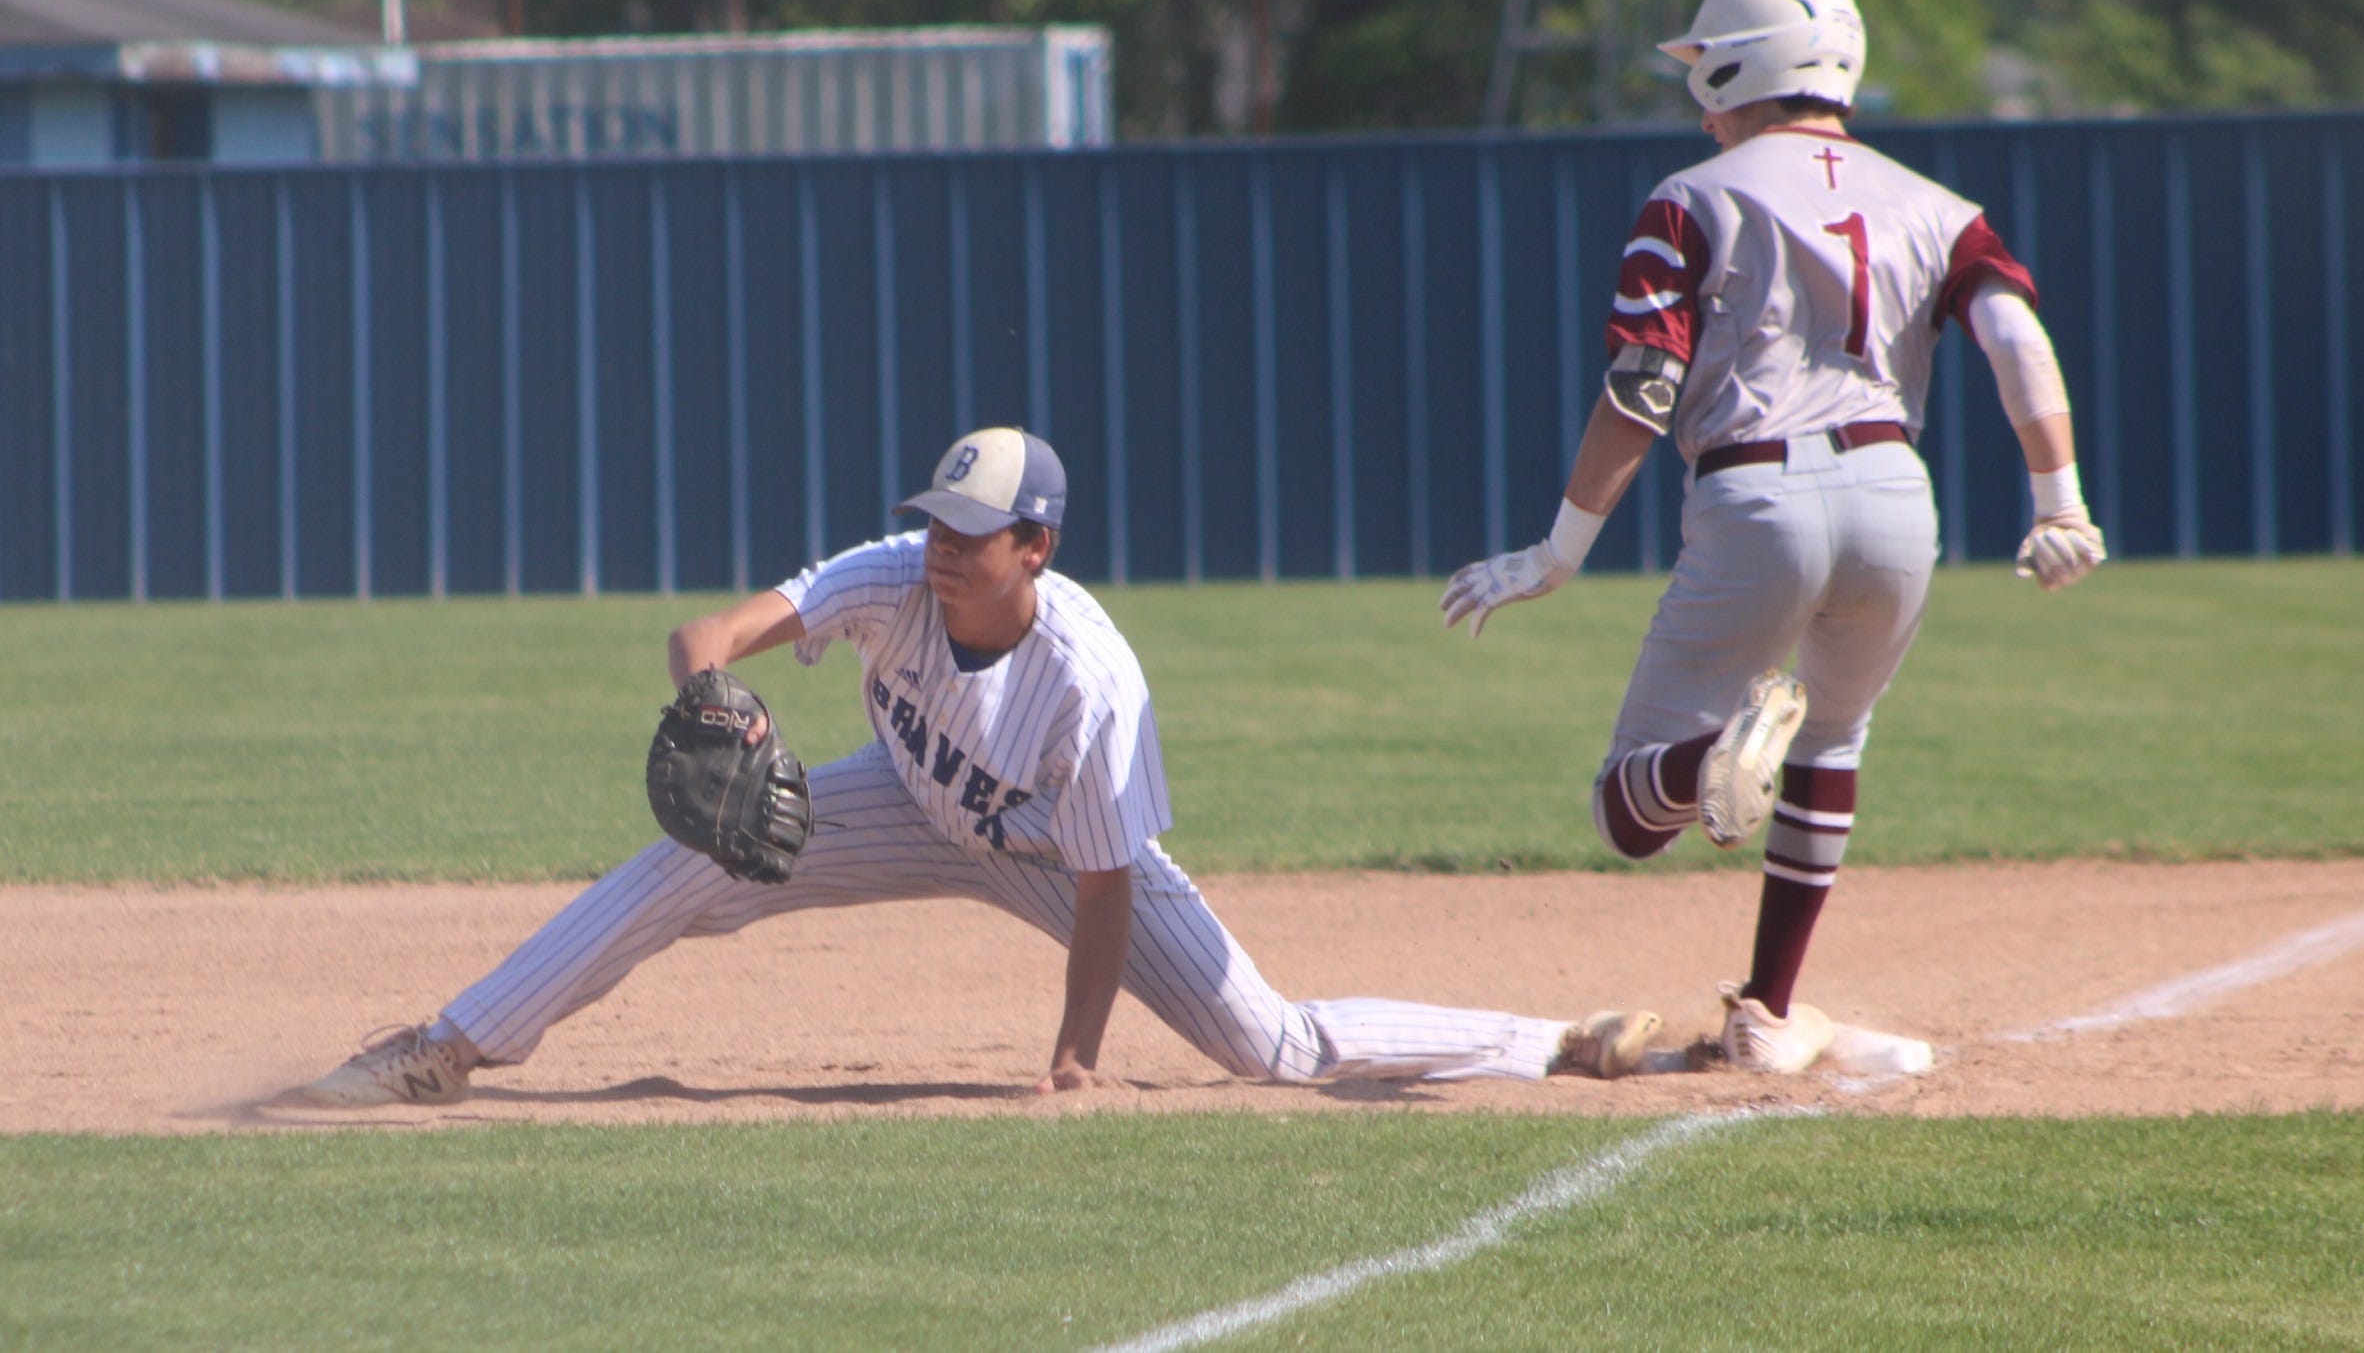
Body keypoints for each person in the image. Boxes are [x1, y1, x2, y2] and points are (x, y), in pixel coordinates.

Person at [300, 426, 1661, 1107]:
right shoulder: (892, 579)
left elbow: (1111, 882)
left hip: (1060, 861)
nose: (944, 545)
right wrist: (715, 698)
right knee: (689, 865)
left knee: (1272, 1045)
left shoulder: (1094, 685)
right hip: (902, 804)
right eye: (938, 522)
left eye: (975, 529)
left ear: (1038, 547)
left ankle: (1550, 1042)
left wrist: (1074, 1060)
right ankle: (445, 1048)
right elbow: (703, 630)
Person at [1440, 0, 2105, 1075]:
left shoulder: (1692, 195)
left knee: (1627, 808)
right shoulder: (1939, 207)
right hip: (1896, 495)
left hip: (1754, 491)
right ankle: (1767, 1009)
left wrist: (1556, 550)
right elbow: (2013, 338)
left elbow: (1642, 385)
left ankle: (1712, 756)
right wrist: (2058, 501)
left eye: (1703, 66)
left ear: (1746, 66)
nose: (1697, 93)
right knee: (1832, 744)